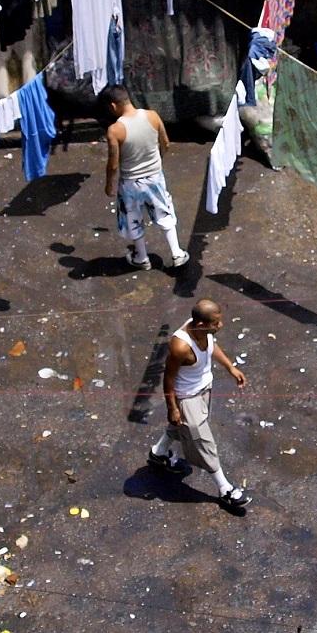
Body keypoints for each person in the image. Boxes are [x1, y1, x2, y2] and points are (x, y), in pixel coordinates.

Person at [149, 298, 251, 512]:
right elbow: (168, 379)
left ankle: (159, 453)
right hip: (186, 398)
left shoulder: (202, 329)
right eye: (216, 323)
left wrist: (230, 368)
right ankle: (225, 490)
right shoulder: (180, 346)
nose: (220, 326)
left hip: (205, 389)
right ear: (202, 324)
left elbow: (212, 347)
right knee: (204, 442)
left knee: (182, 428)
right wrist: (173, 408)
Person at [101, 86, 189, 270]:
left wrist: (109, 185)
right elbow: (165, 143)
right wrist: (157, 161)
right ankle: (177, 253)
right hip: (154, 177)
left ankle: (142, 258)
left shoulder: (115, 130)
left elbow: (114, 164)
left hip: (130, 183)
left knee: (133, 217)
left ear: (113, 105)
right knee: (164, 212)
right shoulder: (152, 116)